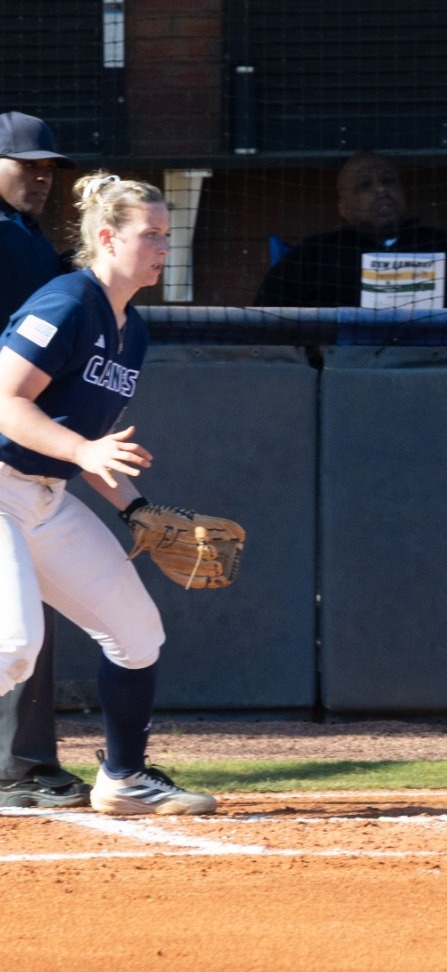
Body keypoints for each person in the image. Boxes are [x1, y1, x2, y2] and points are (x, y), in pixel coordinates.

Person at [0, 171, 217, 815]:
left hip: (44, 497)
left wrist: (135, 508)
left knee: (136, 632)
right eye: (150, 234)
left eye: (166, 235)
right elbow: (6, 401)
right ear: (106, 238)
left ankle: (124, 779)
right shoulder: (66, 303)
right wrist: (83, 451)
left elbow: (94, 445)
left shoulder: (132, 328)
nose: (163, 247)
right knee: (14, 647)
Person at [0, 110, 86, 809]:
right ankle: (19, 768)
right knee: (16, 617)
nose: (40, 177)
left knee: (23, 615)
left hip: (22, 445)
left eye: (48, 168)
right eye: (24, 164)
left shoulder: (26, 238)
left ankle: (23, 765)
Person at [254, 150, 447, 308]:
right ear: (343, 206)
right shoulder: (313, 256)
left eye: (389, 181)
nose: (381, 190)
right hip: (344, 373)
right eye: (365, 185)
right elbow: (265, 325)